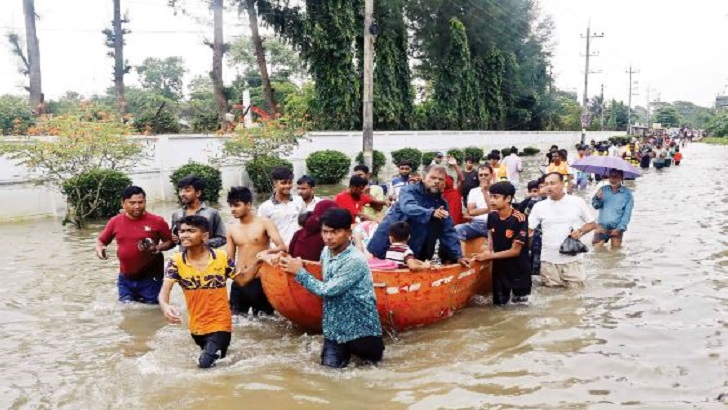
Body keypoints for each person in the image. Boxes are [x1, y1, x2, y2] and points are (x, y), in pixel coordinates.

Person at [279, 208, 384, 368]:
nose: (328, 237)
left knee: (371, 378)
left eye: (334, 232)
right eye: (325, 232)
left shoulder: (355, 260)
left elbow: (327, 290)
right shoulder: (326, 252)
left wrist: (299, 272)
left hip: (362, 331)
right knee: (328, 378)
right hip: (334, 330)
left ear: (348, 232)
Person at [158, 215, 261, 368]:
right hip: (196, 327)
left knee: (205, 364)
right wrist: (165, 306)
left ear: (204, 236)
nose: (184, 235)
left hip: (221, 323)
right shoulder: (176, 261)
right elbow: (164, 292)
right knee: (217, 364)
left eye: (191, 231)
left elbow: (243, 280)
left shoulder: (221, 258)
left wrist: (260, 261)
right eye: (182, 231)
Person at [367, 165, 470, 267]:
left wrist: (458, 256)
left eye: (440, 179)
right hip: (387, 244)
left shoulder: (441, 204)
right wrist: (430, 213)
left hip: (415, 253)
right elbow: (408, 207)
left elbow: (448, 230)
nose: (437, 181)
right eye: (433, 178)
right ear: (424, 178)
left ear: (444, 183)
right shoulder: (408, 190)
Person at [96, 186, 174, 303]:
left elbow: (170, 242)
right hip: (125, 278)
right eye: (132, 203)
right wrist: (100, 249)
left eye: (140, 202)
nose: (137, 206)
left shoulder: (157, 221)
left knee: (152, 310)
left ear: (145, 202)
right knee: (127, 310)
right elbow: (101, 241)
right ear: (123, 203)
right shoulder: (115, 222)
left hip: (151, 278)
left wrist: (158, 248)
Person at [528, 173, 597, 288]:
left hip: (572, 260)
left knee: (576, 296)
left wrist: (580, 231)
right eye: (546, 184)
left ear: (562, 183)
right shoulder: (539, 207)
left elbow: (592, 224)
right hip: (548, 261)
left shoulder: (576, 201)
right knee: (552, 297)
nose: (549, 187)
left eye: (552, 183)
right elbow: (529, 230)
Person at [226, 187, 287, 315]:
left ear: (248, 205)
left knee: (265, 321)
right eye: (231, 206)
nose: (233, 209)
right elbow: (229, 260)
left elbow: (282, 247)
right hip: (239, 280)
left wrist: (265, 254)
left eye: (237, 205)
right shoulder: (231, 229)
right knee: (236, 323)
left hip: (260, 280)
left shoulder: (265, 223)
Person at [472, 182, 531, 305]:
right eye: (490, 196)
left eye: (496, 197)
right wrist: (487, 249)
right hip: (499, 270)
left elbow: (515, 251)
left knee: (521, 308)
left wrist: (489, 256)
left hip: (518, 270)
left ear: (508, 198)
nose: (491, 200)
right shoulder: (492, 216)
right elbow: (490, 236)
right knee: (499, 306)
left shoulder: (520, 218)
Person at [171, 175, 226, 250]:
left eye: (187, 190)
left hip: (206, 258)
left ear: (198, 193)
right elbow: (175, 238)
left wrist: (203, 242)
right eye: (181, 190)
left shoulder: (212, 213)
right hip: (184, 258)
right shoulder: (177, 215)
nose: (182, 194)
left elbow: (222, 238)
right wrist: (175, 239)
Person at [258, 166, 304, 245]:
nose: (287, 186)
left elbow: (304, 225)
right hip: (276, 252)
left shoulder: (299, 201)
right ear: (275, 183)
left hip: (297, 248)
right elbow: (261, 233)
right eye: (283, 183)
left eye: (290, 182)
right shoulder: (265, 207)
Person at [591, 169, 634, 248]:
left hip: (617, 228)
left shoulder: (627, 194)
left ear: (622, 178)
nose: (613, 179)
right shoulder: (603, 189)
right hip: (602, 227)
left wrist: (620, 228)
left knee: (615, 254)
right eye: (611, 176)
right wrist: (597, 198)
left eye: (616, 177)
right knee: (596, 251)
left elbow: (627, 214)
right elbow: (595, 206)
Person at [455, 165, 493, 241]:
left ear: (491, 175)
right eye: (480, 175)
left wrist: (484, 191)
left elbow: (496, 212)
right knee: (456, 230)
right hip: (477, 224)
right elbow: (471, 211)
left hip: (493, 224)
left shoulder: (497, 189)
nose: (483, 177)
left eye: (486, 175)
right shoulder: (473, 191)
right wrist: (488, 209)